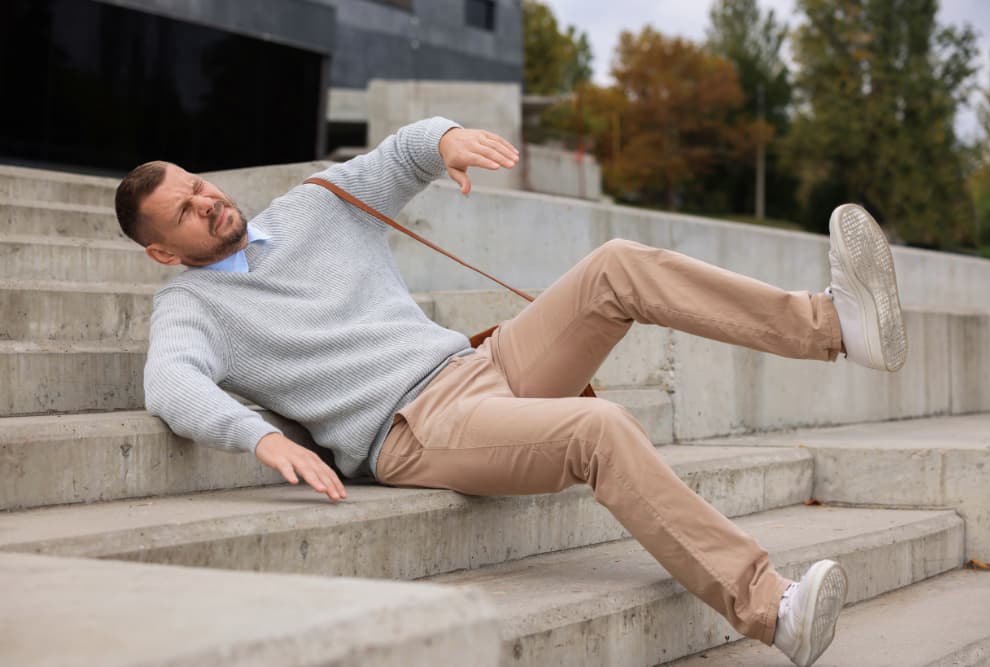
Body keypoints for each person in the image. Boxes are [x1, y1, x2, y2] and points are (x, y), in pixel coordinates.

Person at [115, 117, 907, 667]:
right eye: (185, 209)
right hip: (418, 425)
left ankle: (834, 327)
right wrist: (262, 437)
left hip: (479, 365)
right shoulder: (192, 308)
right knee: (600, 429)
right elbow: (170, 382)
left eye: (199, 183)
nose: (208, 200)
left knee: (618, 264)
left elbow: (394, 158)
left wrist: (444, 140)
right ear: (161, 250)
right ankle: (774, 609)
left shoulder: (311, 209)